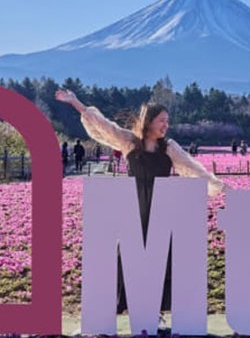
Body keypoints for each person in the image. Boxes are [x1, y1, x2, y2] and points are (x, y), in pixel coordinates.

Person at [56, 89, 225, 315]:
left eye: (167, 121)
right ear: (149, 121)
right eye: (162, 120)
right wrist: (75, 103)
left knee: (164, 256)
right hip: (134, 207)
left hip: (161, 210)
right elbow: (104, 125)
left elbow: (193, 168)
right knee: (126, 254)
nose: (166, 125)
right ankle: (123, 305)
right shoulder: (129, 142)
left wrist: (221, 186)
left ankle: (158, 310)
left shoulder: (169, 147)